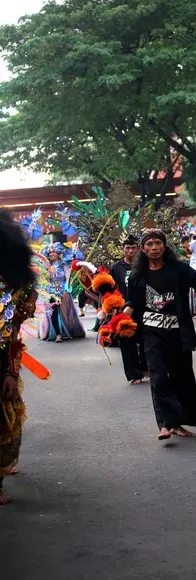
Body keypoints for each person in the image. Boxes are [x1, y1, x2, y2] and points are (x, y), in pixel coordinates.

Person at [125, 228, 196, 440]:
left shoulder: (178, 269)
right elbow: (133, 302)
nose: (154, 248)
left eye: (158, 243)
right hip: (151, 334)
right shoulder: (138, 276)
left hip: (178, 333)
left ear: (164, 246)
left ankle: (178, 423)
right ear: (143, 249)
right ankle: (165, 424)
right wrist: (119, 315)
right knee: (157, 377)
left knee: (181, 377)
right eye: (149, 244)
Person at [0, 208, 37, 505]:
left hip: (1, 365)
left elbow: (13, 335)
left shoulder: (15, 291)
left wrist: (11, 373)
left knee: (3, 422)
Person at [110, 235, 147, 385]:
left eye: (133, 248)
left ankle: (145, 368)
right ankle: (134, 374)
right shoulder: (116, 268)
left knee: (146, 340)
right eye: (127, 248)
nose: (130, 251)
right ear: (123, 249)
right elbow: (110, 289)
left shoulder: (144, 266)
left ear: (138, 249)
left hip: (143, 308)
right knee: (126, 343)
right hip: (122, 312)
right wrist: (111, 306)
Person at [39, 243, 85, 342]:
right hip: (50, 291)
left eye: (54, 252)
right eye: (50, 252)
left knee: (64, 312)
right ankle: (58, 335)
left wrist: (67, 288)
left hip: (62, 290)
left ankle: (64, 331)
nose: (52, 254)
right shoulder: (46, 265)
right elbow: (43, 278)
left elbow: (68, 276)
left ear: (58, 253)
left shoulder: (64, 263)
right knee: (53, 312)